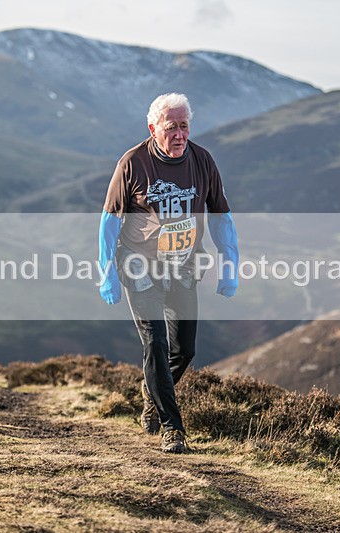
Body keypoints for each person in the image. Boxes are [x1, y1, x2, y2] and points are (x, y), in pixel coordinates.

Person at [98, 93, 239, 453]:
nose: (179, 134)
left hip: (183, 267)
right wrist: (107, 271)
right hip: (139, 266)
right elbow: (109, 222)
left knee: (184, 350)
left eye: (184, 126)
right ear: (153, 128)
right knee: (156, 344)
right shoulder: (133, 163)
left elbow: (221, 215)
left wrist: (230, 263)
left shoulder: (202, 161)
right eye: (171, 127)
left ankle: (152, 392)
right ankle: (172, 429)